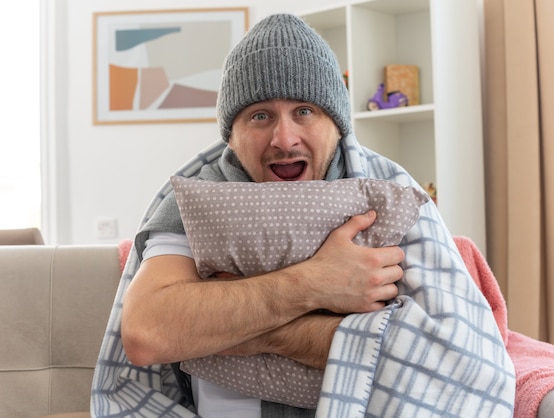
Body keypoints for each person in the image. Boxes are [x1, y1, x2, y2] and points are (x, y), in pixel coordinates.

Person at [92, 13, 515, 417]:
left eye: (304, 111)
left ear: (337, 124)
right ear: (231, 137)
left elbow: (456, 364)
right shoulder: (197, 196)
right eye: (260, 116)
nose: (284, 138)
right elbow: (147, 333)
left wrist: (255, 331)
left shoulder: (391, 195)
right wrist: (318, 282)